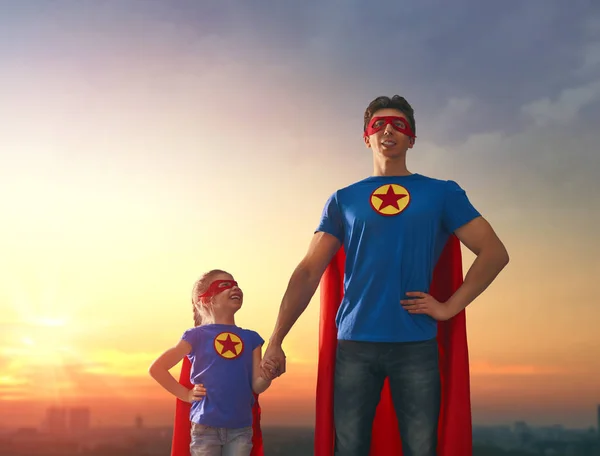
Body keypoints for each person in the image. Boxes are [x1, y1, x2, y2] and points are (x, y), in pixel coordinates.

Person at [260, 95, 510, 456]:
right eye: (378, 125)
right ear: (366, 137)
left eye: (399, 125)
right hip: (355, 344)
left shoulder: (442, 193)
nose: (388, 130)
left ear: (412, 138)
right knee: (349, 448)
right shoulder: (342, 199)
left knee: (422, 449)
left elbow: (494, 253)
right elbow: (308, 270)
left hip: (416, 344)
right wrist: (276, 338)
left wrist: (449, 307)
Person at [150, 269, 275, 456]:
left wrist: (267, 375)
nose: (235, 288)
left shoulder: (252, 338)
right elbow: (157, 368)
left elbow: (257, 385)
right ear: (205, 299)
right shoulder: (195, 336)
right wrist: (186, 394)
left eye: (236, 284)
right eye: (225, 285)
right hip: (205, 428)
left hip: (241, 429)